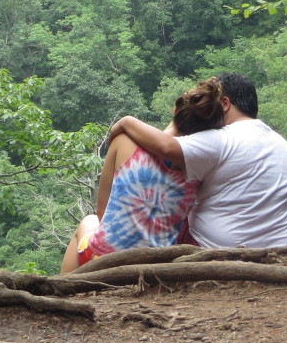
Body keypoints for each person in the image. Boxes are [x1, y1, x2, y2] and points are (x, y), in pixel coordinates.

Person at [105, 73, 287, 249]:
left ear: (225, 104)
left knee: (162, 209)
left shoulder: (223, 138)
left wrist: (126, 122)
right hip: (282, 248)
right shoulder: (285, 148)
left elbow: (166, 146)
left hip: (217, 248)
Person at [60, 78, 226, 273]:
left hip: (103, 258)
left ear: (175, 110)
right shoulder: (200, 166)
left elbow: (102, 211)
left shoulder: (124, 141)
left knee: (89, 221)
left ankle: (64, 288)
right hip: (158, 266)